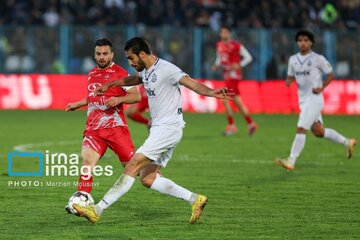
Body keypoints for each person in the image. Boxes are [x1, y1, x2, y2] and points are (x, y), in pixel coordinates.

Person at [73, 37, 232, 224]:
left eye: (131, 58)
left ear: (142, 54)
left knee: (132, 166)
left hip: (167, 129)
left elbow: (191, 83)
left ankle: (97, 210)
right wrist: (112, 84)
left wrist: (211, 92)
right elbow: (134, 78)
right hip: (163, 129)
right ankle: (195, 199)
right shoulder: (146, 70)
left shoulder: (167, 69)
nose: (130, 63)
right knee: (147, 178)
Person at [64, 38, 141, 213]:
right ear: (94, 54)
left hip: (116, 130)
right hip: (94, 130)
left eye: (105, 54)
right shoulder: (91, 74)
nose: (101, 57)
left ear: (112, 54)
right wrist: (78, 103)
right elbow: (94, 98)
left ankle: (159, 179)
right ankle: (81, 201)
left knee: (138, 171)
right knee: (87, 163)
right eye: (98, 54)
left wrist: (120, 99)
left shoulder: (120, 73)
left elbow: (136, 96)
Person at [275, 30, 356, 171]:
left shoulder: (318, 58)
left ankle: (291, 161)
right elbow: (290, 76)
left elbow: (330, 75)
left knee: (301, 128)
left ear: (311, 42)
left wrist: (321, 88)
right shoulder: (293, 59)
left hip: (314, 99)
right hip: (303, 100)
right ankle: (347, 142)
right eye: (300, 40)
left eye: (306, 40)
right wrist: (288, 81)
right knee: (319, 132)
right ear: (297, 43)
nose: (303, 43)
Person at [212, 25, 258, 136]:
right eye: (222, 32)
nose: (223, 34)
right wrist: (216, 64)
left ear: (229, 34)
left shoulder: (236, 45)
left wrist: (239, 65)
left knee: (224, 99)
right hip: (226, 74)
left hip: (233, 76)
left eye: (225, 32)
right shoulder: (219, 45)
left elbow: (248, 57)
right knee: (237, 102)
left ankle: (232, 126)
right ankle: (251, 123)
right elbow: (220, 57)